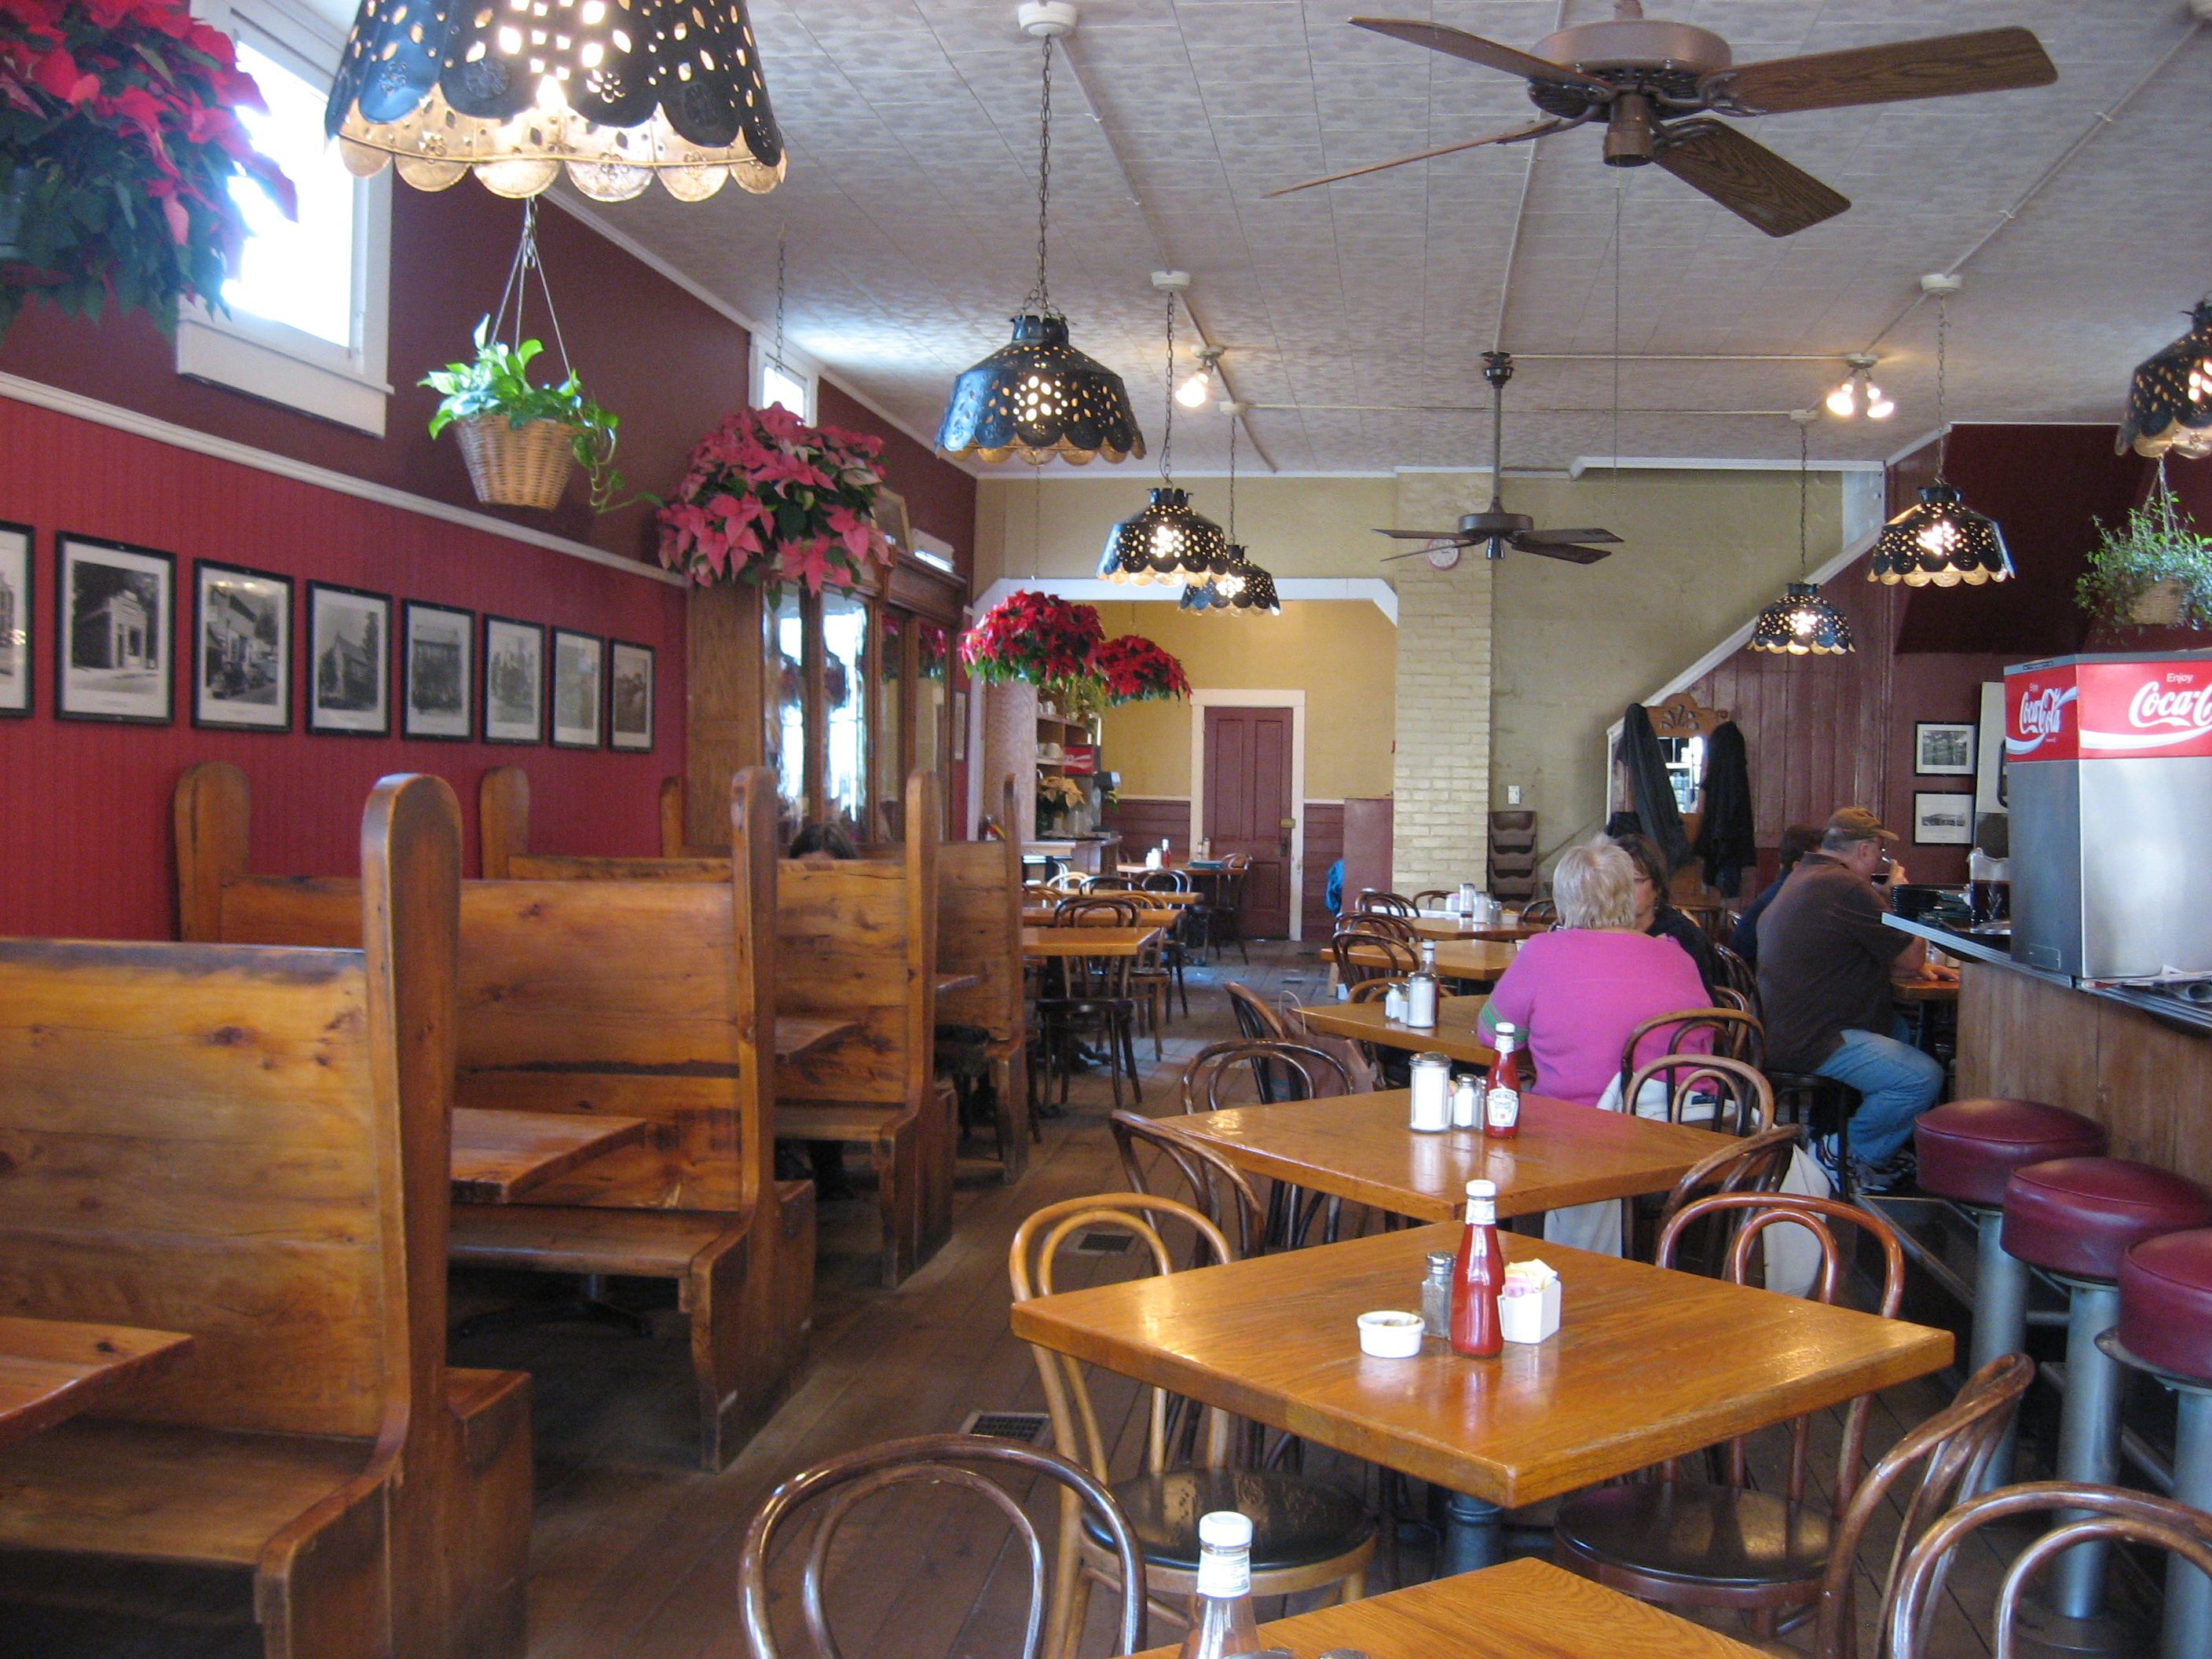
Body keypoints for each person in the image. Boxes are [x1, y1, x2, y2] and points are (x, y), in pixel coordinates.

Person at [1478, 840, 1713, 1255]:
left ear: (1565, 900)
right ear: (1629, 893)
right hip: (1686, 1133)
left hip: (1582, 1135)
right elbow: (1706, 1038)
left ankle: (1528, 1253)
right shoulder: (1678, 956)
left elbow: (1495, 1036)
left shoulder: (1543, 952)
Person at [1757, 807, 1957, 1192]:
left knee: (1902, 1033)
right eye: (1880, 854)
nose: (1880, 862)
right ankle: (1843, 1155)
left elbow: (1888, 962)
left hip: (1786, 1025)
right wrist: (1899, 898)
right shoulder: (1847, 888)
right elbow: (1911, 957)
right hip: (1816, 1038)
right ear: (1866, 850)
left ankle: (1875, 1144)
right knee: (1921, 1077)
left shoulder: (1809, 876)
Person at [1613, 831, 1723, 999]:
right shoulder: (1601, 931)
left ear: (1657, 886)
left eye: (1635, 880)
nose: (1624, 891)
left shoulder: (1683, 936)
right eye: (1617, 881)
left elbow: (1706, 1007)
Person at [1730, 823, 1822, 969]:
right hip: (1761, 977)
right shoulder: (1790, 899)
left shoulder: (1780, 890)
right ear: (1797, 867)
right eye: (1820, 864)